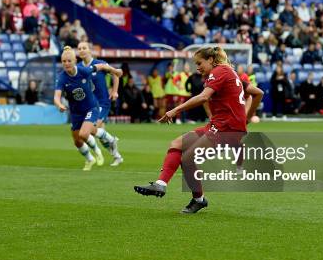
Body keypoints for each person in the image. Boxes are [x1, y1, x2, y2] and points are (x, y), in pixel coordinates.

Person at [134, 47, 264, 214]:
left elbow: (204, 97)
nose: (197, 67)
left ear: (211, 59)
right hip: (221, 125)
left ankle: (192, 197)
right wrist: (245, 119)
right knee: (177, 144)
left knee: (188, 158)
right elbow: (257, 93)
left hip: (225, 127)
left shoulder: (219, 71)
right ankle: (170, 188)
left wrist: (175, 110)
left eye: (199, 63)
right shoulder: (229, 73)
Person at [54, 46, 123, 171]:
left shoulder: (85, 69)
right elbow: (57, 96)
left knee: (87, 131)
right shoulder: (63, 77)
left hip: (95, 105)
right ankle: (92, 157)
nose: (66, 63)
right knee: (77, 140)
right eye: (64, 61)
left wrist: (116, 74)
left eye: (84, 47)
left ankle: (103, 151)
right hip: (76, 111)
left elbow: (104, 68)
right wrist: (59, 105)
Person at [77, 42, 123, 165]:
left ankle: (112, 140)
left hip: (102, 102)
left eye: (84, 48)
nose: (81, 50)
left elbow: (116, 74)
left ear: (89, 50)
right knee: (100, 134)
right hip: (89, 105)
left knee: (93, 128)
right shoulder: (79, 68)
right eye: (79, 48)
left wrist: (114, 91)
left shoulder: (99, 64)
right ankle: (117, 156)